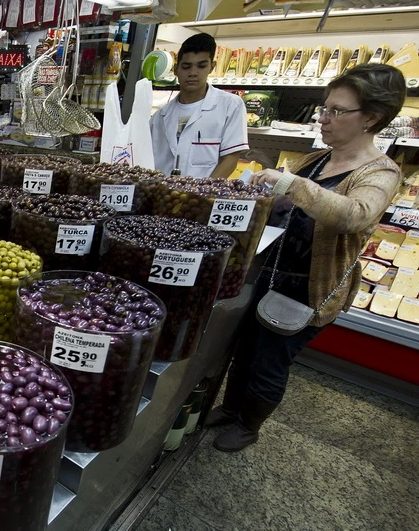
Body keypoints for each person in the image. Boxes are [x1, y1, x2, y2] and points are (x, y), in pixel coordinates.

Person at [207, 63, 405, 452]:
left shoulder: (381, 172)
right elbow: (284, 206)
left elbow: (354, 215)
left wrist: (290, 184)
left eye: (336, 111)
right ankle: (230, 409)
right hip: (270, 273)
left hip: (309, 289)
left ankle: (249, 426)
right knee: (244, 351)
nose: (324, 119)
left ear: (372, 118)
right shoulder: (317, 160)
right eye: (323, 108)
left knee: (270, 362)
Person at [150, 33, 249, 178]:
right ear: (176, 69)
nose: (193, 73)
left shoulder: (230, 105)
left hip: (203, 197)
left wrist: (202, 193)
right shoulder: (160, 116)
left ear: (212, 67)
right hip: (162, 196)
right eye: (186, 67)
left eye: (201, 66)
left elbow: (230, 159)